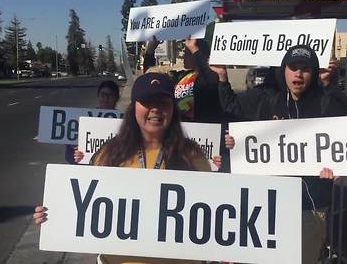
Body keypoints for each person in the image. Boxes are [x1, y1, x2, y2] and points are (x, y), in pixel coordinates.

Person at [34, 73, 210, 264]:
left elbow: (212, 214)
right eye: (147, 102)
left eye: (163, 102)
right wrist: (53, 214)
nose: (155, 109)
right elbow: (83, 205)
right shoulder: (110, 153)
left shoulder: (191, 155)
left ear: (173, 109)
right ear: (133, 107)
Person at [211, 44, 347, 264]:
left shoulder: (325, 102)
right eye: (293, 67)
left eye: (305, 68)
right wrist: (235, 145)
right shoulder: (270, 101)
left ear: (313, 73)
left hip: (310, 206)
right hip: (270, 206)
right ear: (283, 70)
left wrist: (326, 82)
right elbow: (236, 115)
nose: (298, 73)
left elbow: (343, 109)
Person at [144, 37, 231, 171]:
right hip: (180, 135)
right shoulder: (181, 76)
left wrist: (194, 48)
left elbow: (211, 78)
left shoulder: (208, 79)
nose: (184, 55)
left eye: (187, 52)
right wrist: (151, 50)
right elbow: (149, 77)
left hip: (203, 139)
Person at [65, 80, 120, 164]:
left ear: (117, 98)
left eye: (110, 95)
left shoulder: (123, 122)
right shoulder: (84, 118)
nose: (106, 98)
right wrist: (75, 152)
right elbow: (69, 153)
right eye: (103, 94)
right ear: (98, 96)